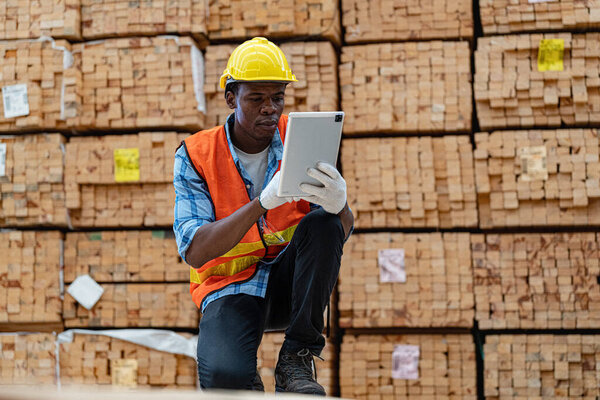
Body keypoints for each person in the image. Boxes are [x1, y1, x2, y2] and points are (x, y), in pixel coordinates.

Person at [173, 37, 353, 395]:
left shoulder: (299, 137)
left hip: (290, 287)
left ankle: (297, 358)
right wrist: (261, 203)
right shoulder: (197, 154)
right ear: (231, 98)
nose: (270, 108)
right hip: (230, 287)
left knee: (325, 221)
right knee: (226, 382)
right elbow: (193, 250)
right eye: (256, 99)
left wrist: (340, 206)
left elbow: (335, 234)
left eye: (277, 97)